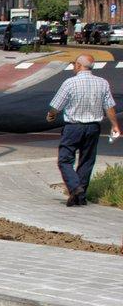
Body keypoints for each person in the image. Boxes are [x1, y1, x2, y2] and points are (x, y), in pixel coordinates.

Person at [46, 53, 121, 207]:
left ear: (79, 65)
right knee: (87, 160)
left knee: (65, 160)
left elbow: (56, 105)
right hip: (93, 127)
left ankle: (75, 188)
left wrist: (51, 115)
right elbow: (109, 106)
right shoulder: (102, 83)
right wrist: (115, 125)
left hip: (73, 127)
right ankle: (80, 196)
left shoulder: (70, 83)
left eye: (74, 64)